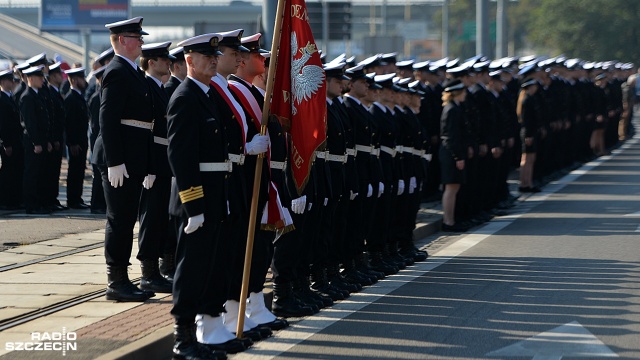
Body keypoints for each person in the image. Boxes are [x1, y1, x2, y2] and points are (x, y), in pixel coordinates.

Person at [166, 32, 229, 360]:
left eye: (216, 55)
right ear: (189, 60)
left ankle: (205, 333)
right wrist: (194, 206)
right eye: (207, 56)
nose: (214, 60)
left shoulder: (207, 94)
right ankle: (183, 339)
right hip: (196, 201)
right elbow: (181, 157)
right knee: (190, 269)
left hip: (213, 197)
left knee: (209, 267)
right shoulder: (185, 96)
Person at [91, 17, 156, 302]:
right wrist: (115, 161)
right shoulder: (116, 71)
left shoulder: (132, 72)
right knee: (119, 219)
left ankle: (123, 277)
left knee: (128, 217)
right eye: (135, 36)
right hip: (120, 160)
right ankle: (116, 280)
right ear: (120, 41)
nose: (141, 41)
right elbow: (107, 118)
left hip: (133, 158)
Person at [137, 41, 176, 294]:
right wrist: (148, 167)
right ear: (151, 63)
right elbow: (147, 133)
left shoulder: (159, 88)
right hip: (154, 162)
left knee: (161, 217)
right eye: (164, 59)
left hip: (163, 161)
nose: (168, 63)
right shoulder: (148, 88)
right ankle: (147, 272)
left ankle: (159, 269)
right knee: (150, 219)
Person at [19, 65, 51, 214]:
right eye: (39, 77)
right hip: (33, 142)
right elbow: (30, 123)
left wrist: (46, 141)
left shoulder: (37, 95)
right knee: (32, 173)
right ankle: (31, 205)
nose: (42, 80)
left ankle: (38, 203)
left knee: (40, 173)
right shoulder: (27, 97)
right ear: (31, 79)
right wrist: (36, 143)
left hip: (42, 140)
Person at [439, 79, 468, 232]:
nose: (465, 95)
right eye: (463, 92)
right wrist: (457, 157)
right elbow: (451, 136)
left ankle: (451, 219)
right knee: (450, 188)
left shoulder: (455, 108)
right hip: (451, 154)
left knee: (454, 188)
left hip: (454, 152)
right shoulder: (451, 109)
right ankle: (448, 221)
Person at [62, 67, 90, 209]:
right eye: (80, 78)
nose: (84, 81)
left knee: (79, 171)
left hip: (81, 141)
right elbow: (70, 124)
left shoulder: (79, 97)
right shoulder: (71, 99)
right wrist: (72, 143)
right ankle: (72, 199)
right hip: (75, 142)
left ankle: (77, 198)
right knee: (74, 171)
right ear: (73, 80)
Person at [0, 68, 24, 210]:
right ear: (3, 82)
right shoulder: (2, 99)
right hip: (8, 142)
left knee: (15, 171)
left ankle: (14, 199)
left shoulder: (10, 97)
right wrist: (6, 143)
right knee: (8, 173)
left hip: (15, 140)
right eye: (9, 80)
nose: (12, 83)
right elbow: (3, 124)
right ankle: (6, 200)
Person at [517, 78, 542, 193]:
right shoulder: (527, 100)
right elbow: (526, 120)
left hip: (531, 132)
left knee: (530, 158)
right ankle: (524, 183)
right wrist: (528, 135)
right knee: (527, 159)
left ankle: (528, 182)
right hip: (528, 133)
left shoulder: (530, 99)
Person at [88, 65, 107, 214]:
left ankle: (101, 204)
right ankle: (96, 205)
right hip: (97, 140)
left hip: (101, 139)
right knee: (97, 177)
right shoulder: (97, 98)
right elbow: (95, 124)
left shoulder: (104, 94)